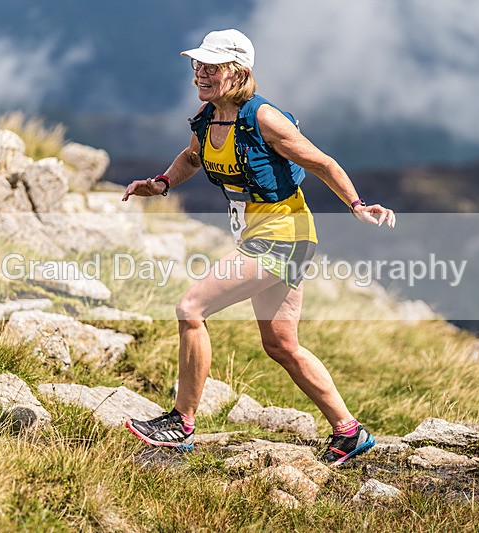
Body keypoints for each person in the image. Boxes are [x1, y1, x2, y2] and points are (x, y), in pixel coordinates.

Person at [122, 29, 395, 466]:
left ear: (238, 72)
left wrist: (357, 205)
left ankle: (181, 423)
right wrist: (161, 184)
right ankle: (350, 432)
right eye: (197, 66)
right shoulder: (208, 117)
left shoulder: (264, 117)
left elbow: (320, 161)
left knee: (191, 308)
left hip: (283, 236)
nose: (200, 75)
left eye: (211, 67)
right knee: (282, 345)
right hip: (265, 235)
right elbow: (193, 158)